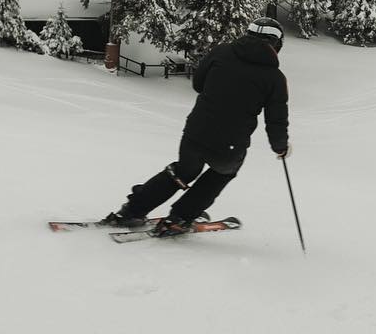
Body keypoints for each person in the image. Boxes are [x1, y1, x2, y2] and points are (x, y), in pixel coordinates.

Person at [103, 17, 290, 237]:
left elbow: (198, 84)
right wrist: (280, 146)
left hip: (196, 131)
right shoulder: (275, 78)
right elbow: (275, 120)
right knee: (221, 173)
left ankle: (132, 211)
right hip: (230, 143)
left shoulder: (221, 52)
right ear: (276, 44)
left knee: (182, 171)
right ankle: (180, 217)